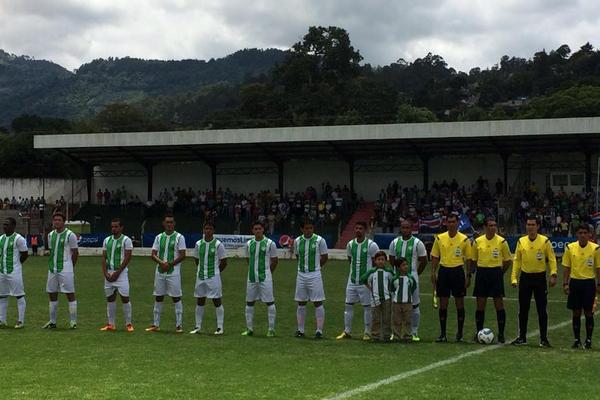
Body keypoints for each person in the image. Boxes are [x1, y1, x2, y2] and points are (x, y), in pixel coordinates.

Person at [511, 217, 557, 347]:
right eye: (528, 224)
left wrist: (553, 274)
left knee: (542, 309)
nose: (530, 227)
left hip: (540, 278)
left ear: (538, 226)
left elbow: (552, 259)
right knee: (523, 309)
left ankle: (543, 339)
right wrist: (513, 278)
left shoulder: (545, 241)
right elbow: (517, 261)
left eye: (532, 224)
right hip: (525, 278)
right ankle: (522, 337)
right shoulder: (521, 241)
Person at [430, 213, 472, 342]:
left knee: (459, 303)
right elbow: (435, 256)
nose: (451, 224)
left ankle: (459, 334)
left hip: (458, 271)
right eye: (449, 222)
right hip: (444, 271)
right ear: (446, 223)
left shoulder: (464, 239)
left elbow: (469, 259)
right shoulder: (440, 238)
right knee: (443, 303)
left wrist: (468, 275)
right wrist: (433, 272)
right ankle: (443, 334)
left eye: (454, 222)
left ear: (458, 223)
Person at [471, 217, 512, 343]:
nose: (493, 227)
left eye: (495, 225)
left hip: (496, 274)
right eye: (490, 225)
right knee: (480, 305)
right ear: (485, 227)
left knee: (499, 304)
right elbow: (473, 260)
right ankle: (479, 333)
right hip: (482, 274)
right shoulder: (477, 242)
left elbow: (507, 260)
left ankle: (501, 334)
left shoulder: (502, 242)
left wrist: (500, 273)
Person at [337, 221, 379, 341]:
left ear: (365, 230)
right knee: (348, 306)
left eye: (361, 228)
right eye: (356, 228)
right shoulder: (350, 244)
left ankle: (367, 332)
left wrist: (369, 277)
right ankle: (347, 331)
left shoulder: (371, 245)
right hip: (352, 280)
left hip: (365, 282)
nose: (358, 230)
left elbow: (376, 262)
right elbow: (350, 260)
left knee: (367, 307)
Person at [388, 220, 427, 341]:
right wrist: (397, 274)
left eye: (407, 227)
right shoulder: (394, 242)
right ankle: (396, 333)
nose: (405, 230)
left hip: (411, 277)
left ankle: (414, 332)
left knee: (414, 305)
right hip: (398, 279)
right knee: (396, 305)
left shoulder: (417, 243)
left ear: (411, 228)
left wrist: (415, 274)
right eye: (403, 227)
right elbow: (392, 259)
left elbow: (424, 260)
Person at [562, 224, 600, 349]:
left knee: (589, 312)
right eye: (580, 233)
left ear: (589, 234)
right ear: (577, 234)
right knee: (576, 312)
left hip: (589, 283)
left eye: (585, 232)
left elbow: (598, 268)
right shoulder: (570, 247)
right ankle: (577, 339)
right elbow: (566, 267)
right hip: (575, 283)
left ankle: (588, 340)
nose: (583, 235)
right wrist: (565, 283)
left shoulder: (595, 249)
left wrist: (599, 284)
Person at [147, 214, 186, 333]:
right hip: (160, 272)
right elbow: (153, 254)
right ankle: (156, 324)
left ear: (174, 224)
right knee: (158, 297)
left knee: (176, 297)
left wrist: (169, 264)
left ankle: (179, 325)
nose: (169, 224)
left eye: (171, 222)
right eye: (167, 222)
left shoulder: (180, 237)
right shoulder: (159, 237)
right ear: (163, 223)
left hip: (173, 273)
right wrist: (162, 263)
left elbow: (183, 255)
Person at [189, 221, 227, 335]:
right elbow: (196, 259)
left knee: (216, 300)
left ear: (213, 231)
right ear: (203, 229)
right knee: (200, 300)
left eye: (210, 229)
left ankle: (220, 327)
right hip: (200, 276)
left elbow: (224, 262)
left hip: (213, 277)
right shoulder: (198, 244)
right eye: (206, 228)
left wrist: (215, 272)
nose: (208, 231)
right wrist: (202, 270)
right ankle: (197, 326)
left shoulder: (218, 245)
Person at [241, 221, 278, 337]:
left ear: (263, 230)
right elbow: (248, 259)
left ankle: (271, 329)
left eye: (260, 228)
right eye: (255, 229)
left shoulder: (270, 243)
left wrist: (267, 272)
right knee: (249, 302)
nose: (258, 231)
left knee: (270, 302)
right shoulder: (248, 244)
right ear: (252, 231)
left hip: (265, 277)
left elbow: (275, 261)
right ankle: (249, 329)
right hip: (251, 277)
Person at [43, 212, 79, 329]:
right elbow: (51, 250)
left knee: (70, 294)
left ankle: (73, 321)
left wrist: (70, 266)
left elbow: (75, 253)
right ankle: (52, 321)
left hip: (65, 268)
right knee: (52, 294)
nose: (56, 222)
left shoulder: (70, 235)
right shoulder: (50, 235)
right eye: (55, 220)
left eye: (59, 220)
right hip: (52, 268)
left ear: (64, 221)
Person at [293, 220, 328, 339]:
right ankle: (300, 330)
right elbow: (298, 256)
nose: (309, 230)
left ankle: (319, 330)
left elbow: (324, 257)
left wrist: (316, 268)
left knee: (318, 302)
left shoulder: (320, 240)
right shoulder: (297, 241)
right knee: (301, 302)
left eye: (311, 228)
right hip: (301, 275)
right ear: (302, 229)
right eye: (306, 228)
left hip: (315, 275)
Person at [99, 218, 134, 332]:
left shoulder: (126, 240)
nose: (113, 229)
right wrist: (105, 273)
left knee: (125, 298)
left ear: (121, 227)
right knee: (110, 298)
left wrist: (118, 273)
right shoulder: (106, 240)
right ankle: (111, 324)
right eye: (112, 227)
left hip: (121, 274)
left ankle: (128, 323)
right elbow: (104, 257)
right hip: (109, 272)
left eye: (116, 227)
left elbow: (128, 257)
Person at [0, 218, 29, 328]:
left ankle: (20, 321)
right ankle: (2, 320)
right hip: (2, 271)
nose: (4, 226)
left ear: (13, 226)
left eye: (7, 224)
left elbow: (25, 254)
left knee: (19, 295)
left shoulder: (19, 239)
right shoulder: (1, 238)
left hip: (14, 272)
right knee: (2, 296)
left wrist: (17, 264)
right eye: (4, 224)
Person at [362, 251, 394, 342]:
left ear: (385, 261)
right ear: (375, 261)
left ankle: (387, 336)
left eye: (382, 259)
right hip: (375, 299)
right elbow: (363, 278)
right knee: (376, 319)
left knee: (387, 318)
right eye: (378, 259)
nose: (380, 261)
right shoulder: (371, 272)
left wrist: (391, 291)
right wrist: (369, 287)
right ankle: (375, 336)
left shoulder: (388, 272)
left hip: (386, 298)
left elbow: (393, 281)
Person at [392, 257, 417, 342]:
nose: (406, 266)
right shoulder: (395, 279)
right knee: (397, 320)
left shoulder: (410, 278)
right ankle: (396, 336)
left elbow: (413, 288)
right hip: (397, 303)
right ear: (398, 268)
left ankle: (407, 336)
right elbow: (392, 288)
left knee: (407, 320)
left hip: (408, 302)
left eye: (406, 264)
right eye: (403, 265)